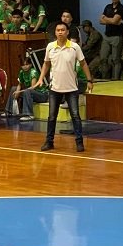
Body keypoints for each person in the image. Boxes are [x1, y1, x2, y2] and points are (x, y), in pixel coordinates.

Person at [34, 22, 93, 152]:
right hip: (54, 88)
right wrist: (40, 79)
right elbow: (46, 64)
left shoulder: (74, 47)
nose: (60, 32)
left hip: (72, 88)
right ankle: (49, 141)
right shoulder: (50, 47)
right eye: (58, 30)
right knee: (52, 116)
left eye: (62, 30)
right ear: (55, 33)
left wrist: (89, 80)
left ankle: (79, 142)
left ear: (67, 32)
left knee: (75, 116)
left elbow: (83, 64)